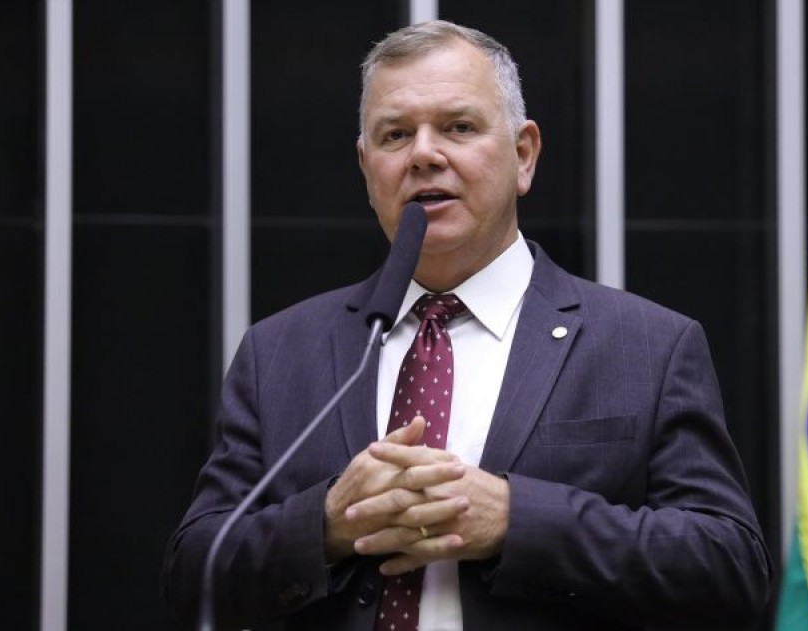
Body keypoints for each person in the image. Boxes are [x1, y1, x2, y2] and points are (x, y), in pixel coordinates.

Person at [163, 20, 773, 631]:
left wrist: (516, 519)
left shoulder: (648, 347)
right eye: (396, 135)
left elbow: (729, 569)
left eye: (458, 127)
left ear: (523, 155)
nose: (424, 154)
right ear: (366, 167)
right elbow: (194, 574)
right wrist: (327, 523)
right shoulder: (279, 351)